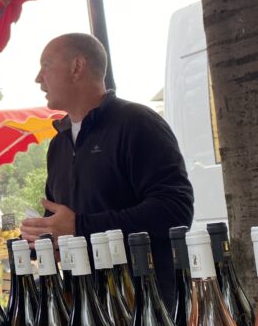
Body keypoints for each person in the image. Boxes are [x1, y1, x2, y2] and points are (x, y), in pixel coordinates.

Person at [20, 34, 194, 306]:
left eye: (45, 65)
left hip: (148, 307)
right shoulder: (59, 144)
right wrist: (43, 236)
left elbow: (176, 211)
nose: (38, 78)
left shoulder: (138, 123)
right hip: (87, 308)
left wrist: (80, 227)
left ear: (77, 66)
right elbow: (61, 221)